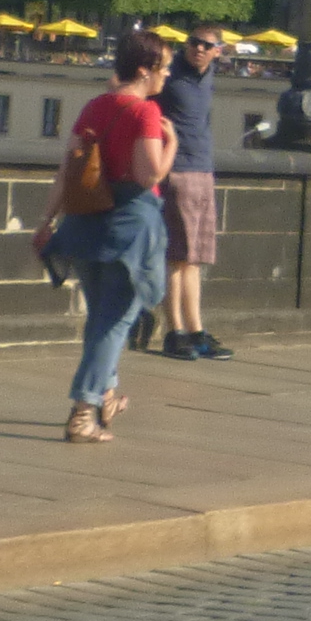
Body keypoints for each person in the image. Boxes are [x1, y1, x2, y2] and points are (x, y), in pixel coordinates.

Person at [51, 29, 174, 441]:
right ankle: (83, 411)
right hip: (129, 227)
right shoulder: (145, 112)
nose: (167, 75)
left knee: (100, 318)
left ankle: (105, 394)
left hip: (86, 222)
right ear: (144, 70)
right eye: (164, 67)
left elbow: (68, 168)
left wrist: (47, 219)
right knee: (115, 321)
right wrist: (172, 144)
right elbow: (149, 174)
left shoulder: (94, 106)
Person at [153, 25, 233, 361]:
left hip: (203, 170)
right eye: (193, 43)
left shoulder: (208, 73)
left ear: (217, 51)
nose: (198, 49)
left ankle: (196, 330)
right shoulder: (171, 73)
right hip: (179, 170)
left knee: (194, 259)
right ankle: (175, 332)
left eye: (206, 46)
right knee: (177, 256)